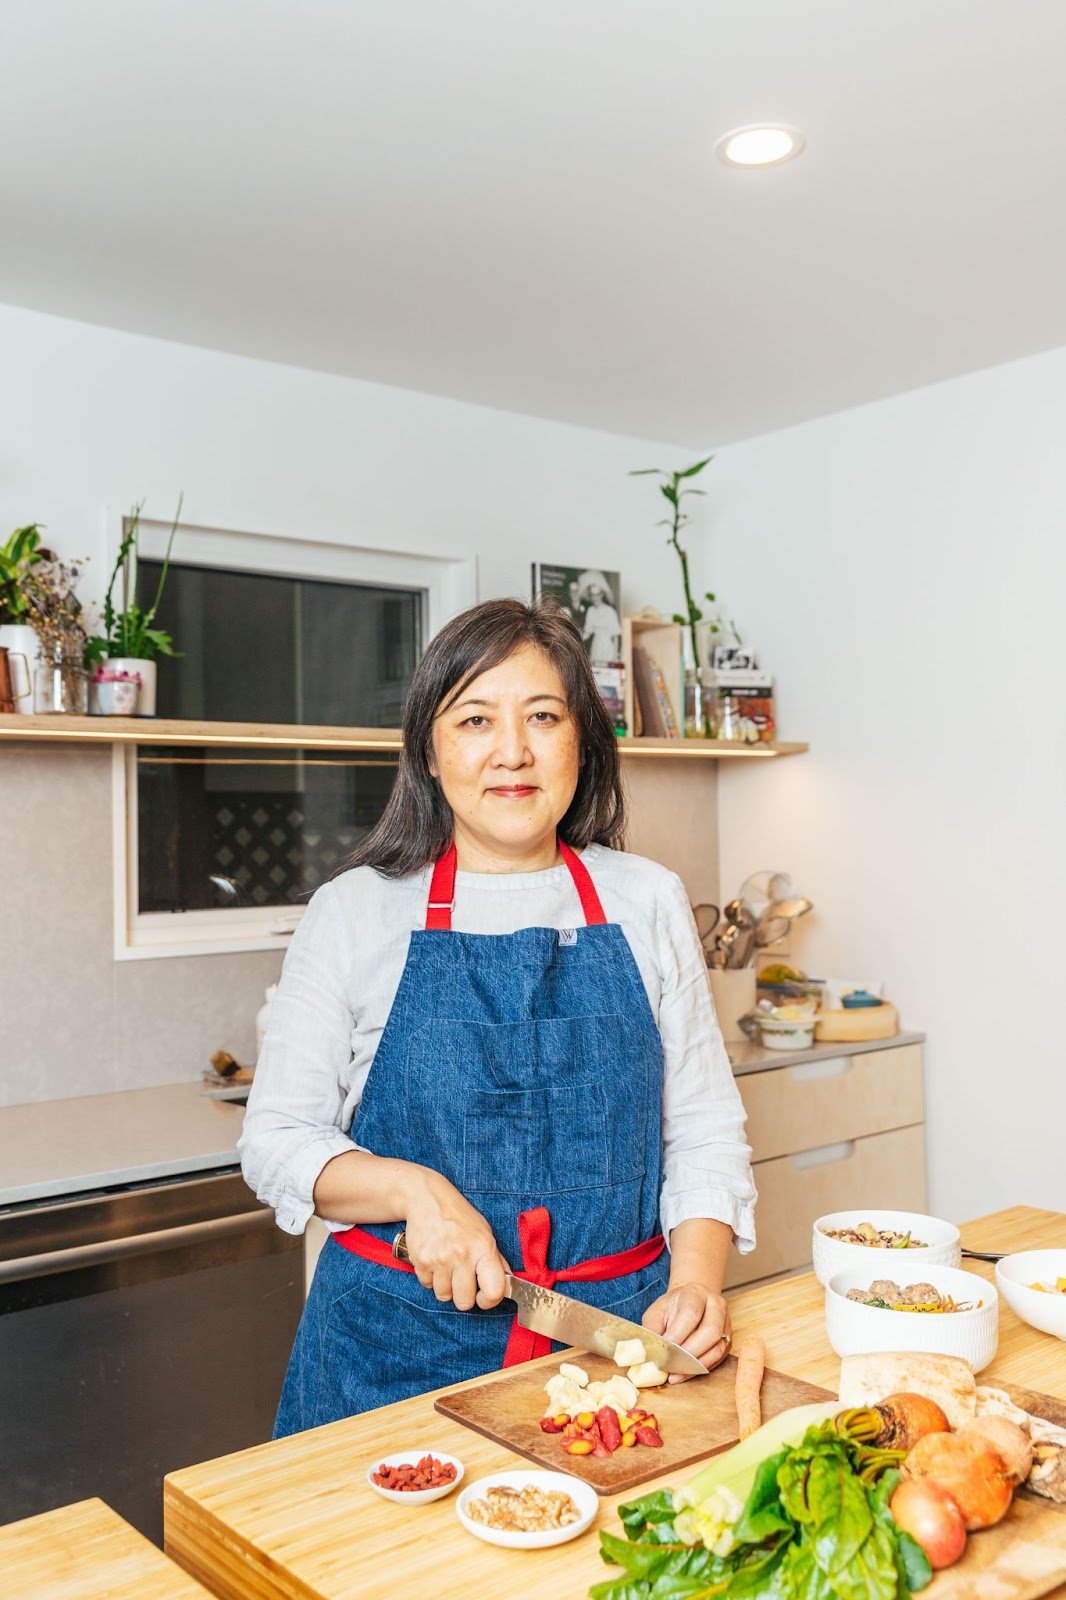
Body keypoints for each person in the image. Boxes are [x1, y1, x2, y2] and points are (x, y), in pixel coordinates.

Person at [239, 598, 756, 1436]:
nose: (512, 752)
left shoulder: (646, 899)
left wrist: (696, 1280)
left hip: (614, 1356)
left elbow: (701, 1130)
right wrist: (415, 1191)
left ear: (580, 742)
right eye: (475, 718)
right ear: (431, 752)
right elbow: (276, 1142)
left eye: (543, 717)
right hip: (391, 1362)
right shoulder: (355, 913)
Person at [576, 570, 622, 664]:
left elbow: (616, 636)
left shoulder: (610, 611)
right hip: (596, 648)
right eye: (593, 595)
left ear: (602, 595)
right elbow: (588, 631)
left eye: (598, 594)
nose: (595, 598)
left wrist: (614, 658)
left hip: (608, 649)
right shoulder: (590, 611)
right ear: (590, 596)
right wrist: (577, 636)